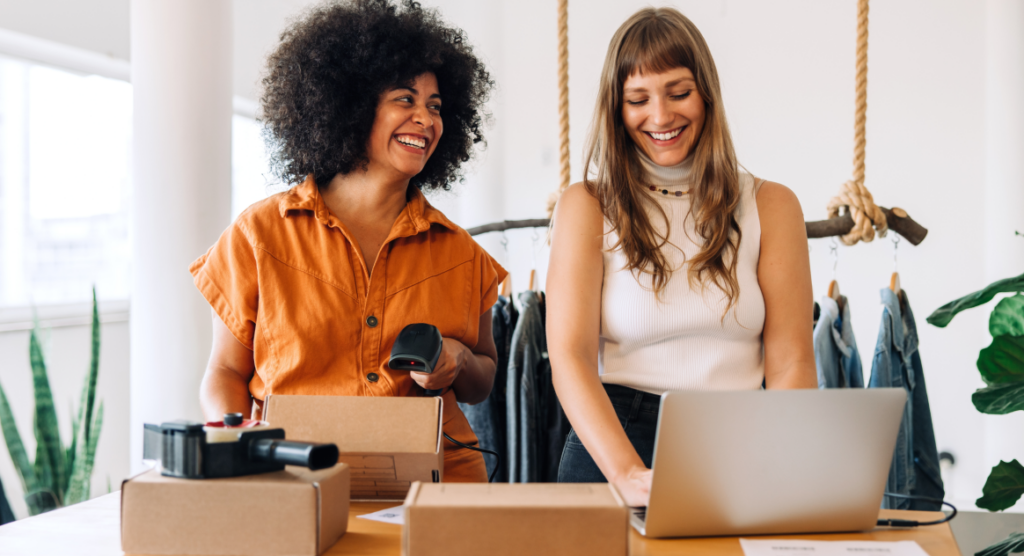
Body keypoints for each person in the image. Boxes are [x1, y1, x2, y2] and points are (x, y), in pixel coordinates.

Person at [191, 0, 502, 482]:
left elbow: (482, 381)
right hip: (294, 476)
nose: (425, 118)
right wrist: (243, 448)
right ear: (352, 106)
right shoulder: (258, 235)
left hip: (435, 482)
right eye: (405, 99)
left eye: (435, 106)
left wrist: (458, 360)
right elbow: (226, 374)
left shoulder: (461, 252)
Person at [546, 7, 817, 506]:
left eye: (678, 92)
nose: (661, 116)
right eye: (637, 99)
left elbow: (793, 362)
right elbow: (570, 358)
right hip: (616, 440)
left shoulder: (772, 205)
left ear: (706, 94)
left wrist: (782, 456)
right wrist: (627, 473)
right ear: (616, 107)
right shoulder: (586, 206)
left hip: (743, 435)